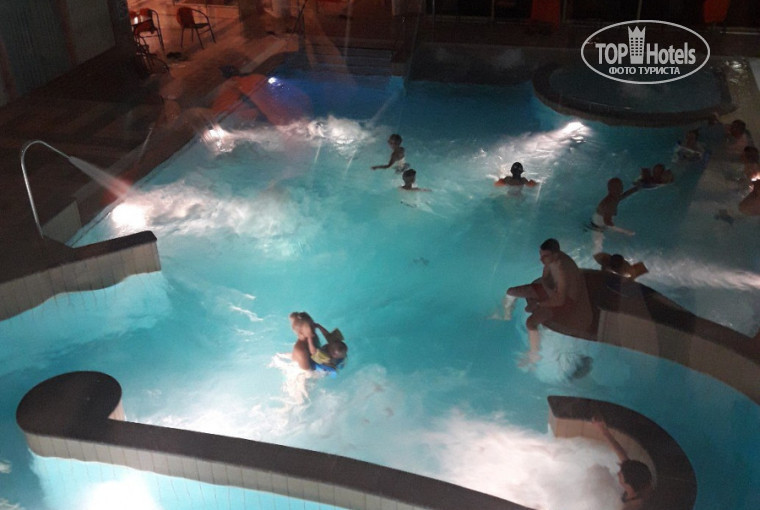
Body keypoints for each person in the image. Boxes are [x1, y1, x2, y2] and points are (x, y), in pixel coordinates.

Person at [505, 238, 593, 365]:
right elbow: (545, 278)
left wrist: (538, 303)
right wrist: (541, 291)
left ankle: (534, 354)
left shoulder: (562, 271)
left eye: (545, 256)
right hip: (552, 291)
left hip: (567, 301)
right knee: (511, 291)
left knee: (530, 323)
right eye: (541, 255)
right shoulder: (551, 260)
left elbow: (560, 301)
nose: (541, 259)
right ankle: (506, 315)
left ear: (555, 255)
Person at [592, 416, 653, 509]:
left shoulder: (632, 506)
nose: (618, 474)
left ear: (629, 486)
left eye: (620, 475)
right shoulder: (637, 482)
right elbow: (620, 453)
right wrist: (603, 430)